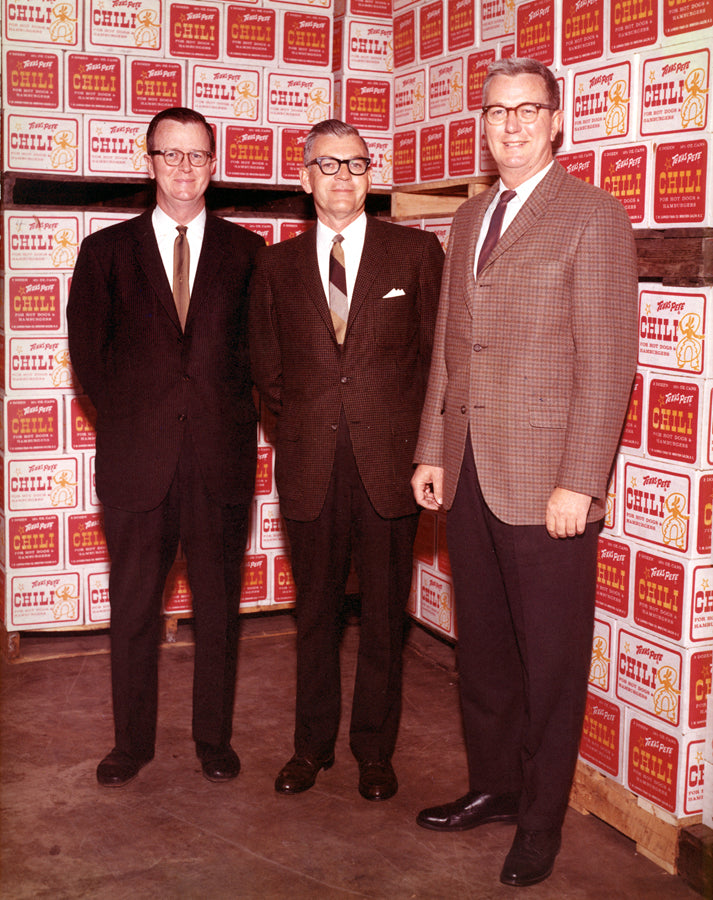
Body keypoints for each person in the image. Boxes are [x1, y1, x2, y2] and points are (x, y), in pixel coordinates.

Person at [411, 58, 638, 887]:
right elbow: (447, 346)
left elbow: (608, 361)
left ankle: (539, 821)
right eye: (494, 111)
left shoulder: (592, 216)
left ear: (555, 122)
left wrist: (580, 478)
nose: (507, 125)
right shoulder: (469, 219)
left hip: (547, 482)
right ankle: (494, 788)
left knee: (547, 661)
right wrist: (432, 449)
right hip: (470, 470)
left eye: (525, 110)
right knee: (486, 655)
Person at [67, 107, 265, 788]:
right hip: (137, 464)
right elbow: (88, 359)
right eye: (170, 154)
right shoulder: (105, 253)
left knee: (218, 611)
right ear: (147, 161)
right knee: (133, 613)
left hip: (220, 462)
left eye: (198, 155)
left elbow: (259, 358)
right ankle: (131, 745)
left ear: (213, 164)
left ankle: (214, 739)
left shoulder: (247, 253)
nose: (184, 168)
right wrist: (137, 424)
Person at [249, 119, 444, 802]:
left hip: (389, 468)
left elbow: (433, 363)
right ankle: (310, 748)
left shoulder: (416, 255)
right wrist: (306, 431)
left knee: (385, 619)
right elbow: (267, 373)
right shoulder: (272, 267)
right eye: (325, 165)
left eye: (355, 164)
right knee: (316, 618)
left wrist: (422, 451)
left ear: (371, 174)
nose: (341, 177)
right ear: (304, 180)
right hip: (310, 466)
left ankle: (373, 751)